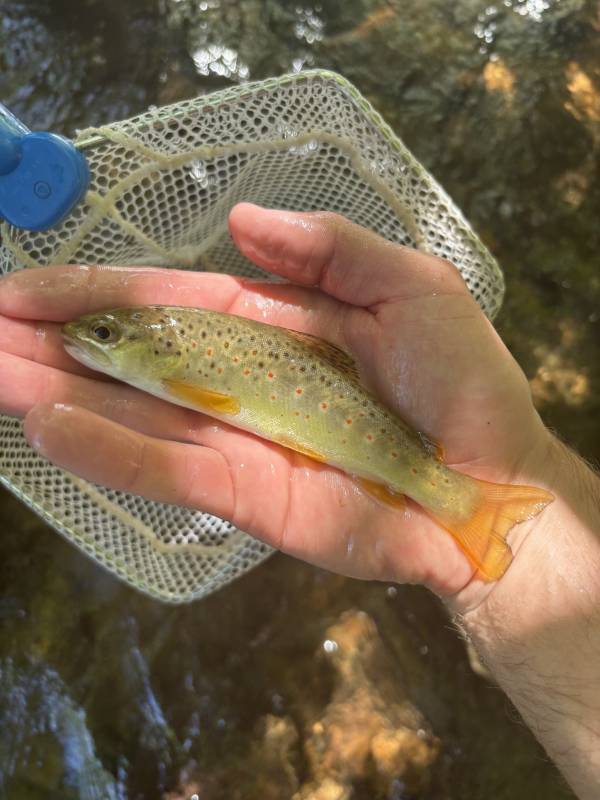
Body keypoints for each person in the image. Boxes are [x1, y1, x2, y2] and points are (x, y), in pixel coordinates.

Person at [0, 203, 598, 797]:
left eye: (104, 334)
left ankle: (475, 509)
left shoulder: (178, 362)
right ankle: (483, 515)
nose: (85, 339)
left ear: (156, 351)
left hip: (357, 432)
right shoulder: (166, 359)